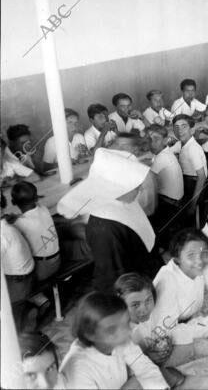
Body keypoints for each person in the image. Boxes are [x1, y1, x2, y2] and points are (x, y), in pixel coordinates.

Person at [57, 148, 162, 292]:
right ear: (114, 188)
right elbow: (113, 279)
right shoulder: (105, 228)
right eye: (134, 184)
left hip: (149, 274)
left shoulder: (126, 201)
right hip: (138, 288)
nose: (140, 188)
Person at [59, 292, 167, 389]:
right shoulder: (78, 369)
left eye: (126, 323)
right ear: (90, 334)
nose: (125, 332)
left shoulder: (119, 339)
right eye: (111, 329)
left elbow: (144, 367)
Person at [11, 182, 60, 281]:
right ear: (36, 198)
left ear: (13, 202)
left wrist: (13, 219)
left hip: (42, 269)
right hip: (57, 261)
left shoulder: (19, 223)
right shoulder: (43, 209)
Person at [1, 193, 36, 331]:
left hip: (19, 283)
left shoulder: (2, 234)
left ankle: (19, 326)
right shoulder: (6, 226)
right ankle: (32, 306)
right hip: (26, 275)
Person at [145, 125, 183, 248]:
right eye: (149, 139)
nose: (152, 142)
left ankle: (154, 249)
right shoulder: (165, 153)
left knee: (142, 212)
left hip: (170, 206)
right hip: (175, 201)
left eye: (156, 139)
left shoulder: (161, 158)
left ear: (166, 140)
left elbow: (147, 182)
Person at [170, 114, 208, 215]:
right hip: (187, 181)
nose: (180, 131)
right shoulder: (181, 143)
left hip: (194, 185)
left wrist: (192, 204)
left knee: (188, 214)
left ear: (191, 130)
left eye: (184, 126)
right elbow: (167, 151)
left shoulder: (193, 149)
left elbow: (202, 177)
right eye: (176, 127)